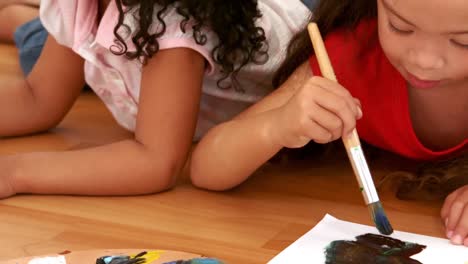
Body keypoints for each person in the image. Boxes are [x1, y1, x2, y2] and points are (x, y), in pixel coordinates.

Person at [189, 0, 468, 246]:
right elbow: (206, 169)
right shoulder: (351, 55)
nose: (424, 60)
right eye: (400, 26)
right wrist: (277, 126)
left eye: (463, 41)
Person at [0, 1, 310, 197]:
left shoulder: (176, 22)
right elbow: (37, 97)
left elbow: (155, 162)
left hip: (305, 27)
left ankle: (18, 18)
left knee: (33, 45)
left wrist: (14, 172)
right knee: (39, 47)